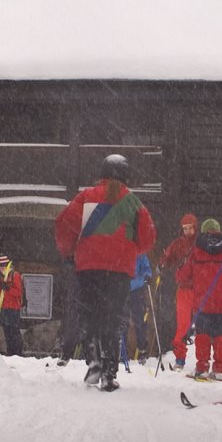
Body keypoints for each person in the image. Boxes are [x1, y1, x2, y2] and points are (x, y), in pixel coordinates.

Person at [55, 154, 157, 391]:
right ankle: (110, 373)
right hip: (119, 270)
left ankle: (94, 364)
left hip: (89, 268)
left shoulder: (86, 197)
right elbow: (148, 237)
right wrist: (130, 249)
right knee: (113, 319)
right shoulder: (132, 202)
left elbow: (64, 225)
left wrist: (70, 252)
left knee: (91, 317)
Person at [188, 219, 222, 381]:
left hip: (203, 301)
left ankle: (202, 367)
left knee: (202, 334)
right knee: (221, 334)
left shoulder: (197, 251)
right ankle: (219, 369)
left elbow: (184, 275)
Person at [158, 213, 198, 370]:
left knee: (202, 325)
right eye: (185, 228)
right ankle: (180, 359)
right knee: (182, 325)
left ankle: (204, 361)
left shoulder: (200, 244)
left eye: (190, 228)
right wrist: (162, 264)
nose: (187, 231)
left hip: (199, 288)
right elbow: (167, 257)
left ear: (195, 227)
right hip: (183, 288)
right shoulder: (178, 244)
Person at [0, 255, 25, 356]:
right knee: (7, 332)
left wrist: (7, 288)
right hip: (4, 308)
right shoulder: (3, 277)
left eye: (2, 266)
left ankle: (17, 352)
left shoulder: (15, 275)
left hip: (13, 308)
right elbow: (1, 293)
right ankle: (11, 351)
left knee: (14, 331)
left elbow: (17, 293)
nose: (0, 269)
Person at [123, 252, 154, 359]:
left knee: (139, 320)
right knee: (123, 320)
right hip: (123, 288)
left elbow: (146, 267)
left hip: (137, 289)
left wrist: (147, 275)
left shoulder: (139, 252)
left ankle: (142, 349)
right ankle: (122, 350)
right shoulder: (122, 248)